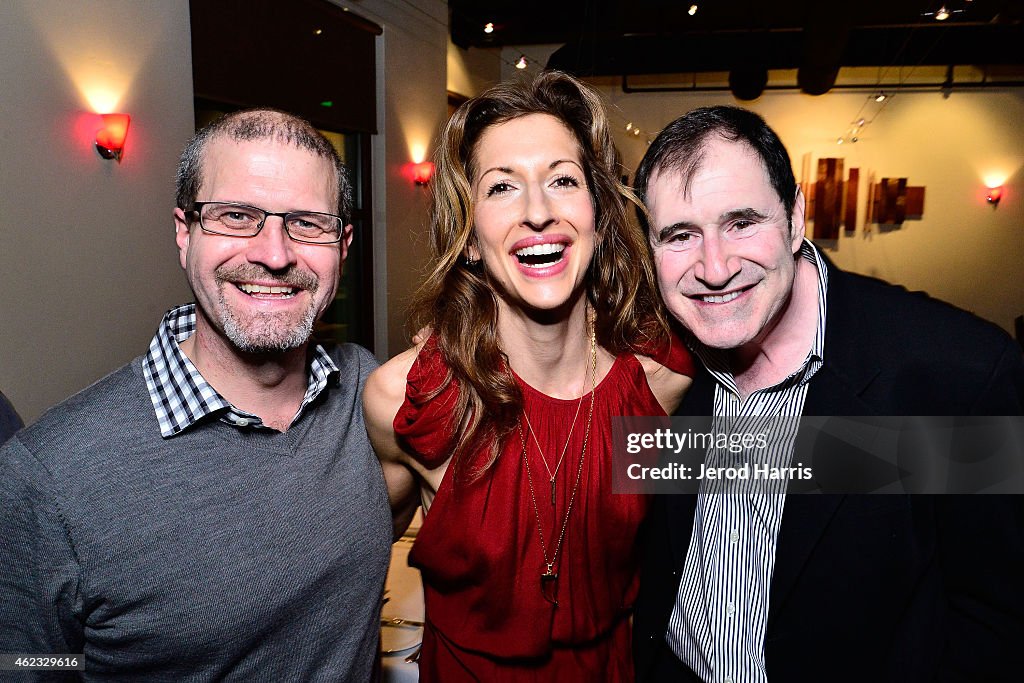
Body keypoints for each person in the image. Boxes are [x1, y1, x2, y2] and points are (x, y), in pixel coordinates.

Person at [630, 105, 1024, 681]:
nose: (713, 268)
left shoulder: (952, 376)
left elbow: (998, 625)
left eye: (742, 223)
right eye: (681, 235)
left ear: (794, 218)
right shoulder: (664, 369)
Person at [0, 109, 391, 680]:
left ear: (344, 245)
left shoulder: (365, 390)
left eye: (307, 223)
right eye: (236, 217)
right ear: (185, 233)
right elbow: (24, 660)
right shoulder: (49, 475)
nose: (275, 254)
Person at [363, 71, 694, 681]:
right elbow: (347, 562)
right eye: (501, 189)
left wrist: (921, 448)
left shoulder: (658, 385)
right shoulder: (410, 403)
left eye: (563, 181)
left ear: (598, 213)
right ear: (467, 237)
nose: (538, 211)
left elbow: (801, 468)